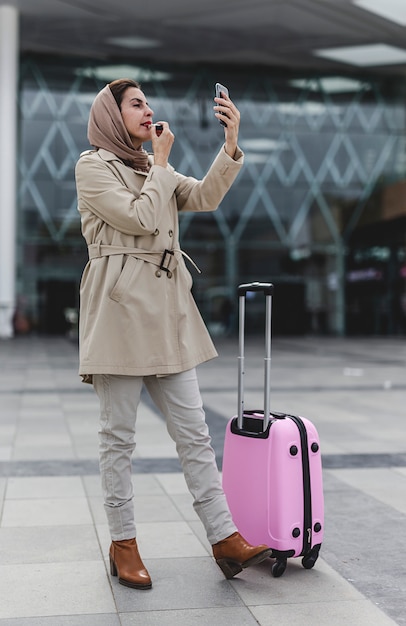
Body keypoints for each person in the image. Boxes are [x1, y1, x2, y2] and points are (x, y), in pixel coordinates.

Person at [75, 78, 272, 590]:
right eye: (136, 104)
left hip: (165, 310)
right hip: (118, 313)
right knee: (118, 438)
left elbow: (204, 196)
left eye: (148, 103)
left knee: (195, 434)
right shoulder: (93, 167)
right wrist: (160, 164)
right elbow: (139, 217)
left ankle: (224, 538)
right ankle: (123, 544)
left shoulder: (149, 167)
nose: (149, 111)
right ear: (113, 116)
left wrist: (230, 144)